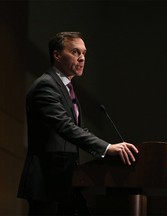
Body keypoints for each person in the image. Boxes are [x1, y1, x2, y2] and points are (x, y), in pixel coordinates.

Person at [17, 31, 139, 215]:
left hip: (66, 183)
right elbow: (66, 127)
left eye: (84, 53)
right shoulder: (46, 86)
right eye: (75, 52)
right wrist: (107, 148)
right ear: (57, 55)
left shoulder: (67, 89)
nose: (82, 58)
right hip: (47, 183)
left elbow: (77, 129)